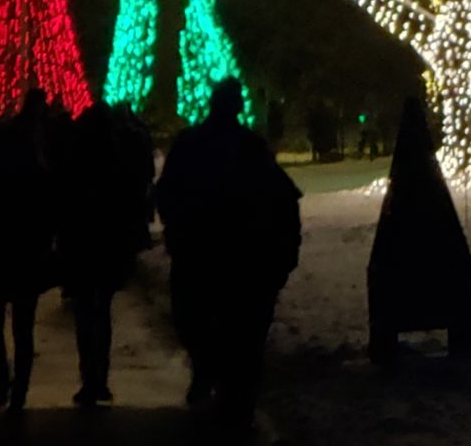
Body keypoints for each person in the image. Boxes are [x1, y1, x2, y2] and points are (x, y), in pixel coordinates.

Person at [155, 79, 302, 423]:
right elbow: (282, 199)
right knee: (239, 331)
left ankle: (221, 382)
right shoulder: (246, 147)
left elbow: (168, 192)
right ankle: (232, 391)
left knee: (205, 322)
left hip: (213, 253)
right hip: (233, 255)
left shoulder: (198, 144)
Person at [0, 94, 57, 408]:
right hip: (25, 257)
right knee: (23, 326)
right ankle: (19, 388)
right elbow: (47, 218)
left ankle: (3, 376)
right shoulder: (39, 179)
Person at [57, 103, 139, 405]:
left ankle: (89, 376)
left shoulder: (74, 163)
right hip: (106, 246)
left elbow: (63, 205)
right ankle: (100, 377)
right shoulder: (116, 163)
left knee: (84, 313)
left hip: (81, 246)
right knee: (101, 312)